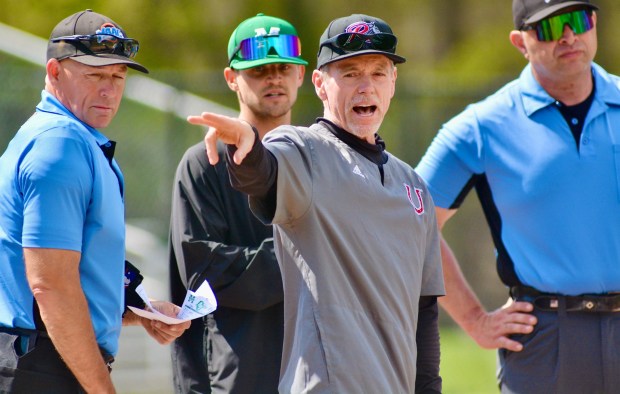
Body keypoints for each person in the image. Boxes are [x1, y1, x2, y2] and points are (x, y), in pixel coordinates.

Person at [187, 14, 445, 393]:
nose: (365, 87)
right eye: (350, 73)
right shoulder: (302, 149)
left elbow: (425, 313)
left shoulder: (414, 187)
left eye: (377, 72)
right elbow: (264, 173)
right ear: (320, 84)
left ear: (393, 82)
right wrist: (246, 148)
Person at [415, 0, 620, 392]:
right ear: (519, 42)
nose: (568, 35)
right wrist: (475, 320)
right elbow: (411, 225)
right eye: (548, 26)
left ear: (594, 23)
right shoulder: (480, 127)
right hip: (546, 339)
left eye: (578, 19)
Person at [0, 9, 189, 393]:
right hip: (42, 366)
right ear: (54, 72)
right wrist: (102, 389)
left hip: (43, 358)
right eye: (95, 75)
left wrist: (141, 312)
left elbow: (71, 273)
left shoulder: (70, 138)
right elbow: (51, 286)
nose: (109, 89)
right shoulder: (60, 143)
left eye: (118, 76)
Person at [169, 13, 306, 394]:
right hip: (235, 379)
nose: (274, 78)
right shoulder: (204, 164)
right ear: (232, 79)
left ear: (301, 75)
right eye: (260, 70)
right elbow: (204, 273)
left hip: (321, 375)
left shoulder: (322, 160)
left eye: (283, 68)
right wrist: (309, 258)